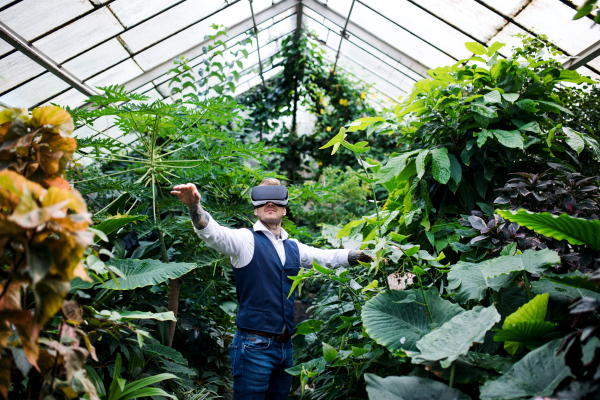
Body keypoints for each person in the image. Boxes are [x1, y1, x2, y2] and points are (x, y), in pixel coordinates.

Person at [171, 178, 371, 400]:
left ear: (285, 208)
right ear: (255, 208)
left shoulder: (293, 246)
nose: (270, 203)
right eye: (263, 198)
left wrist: (363, 255)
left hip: (285, 348)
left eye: (276, 198)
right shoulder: (245, 240)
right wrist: (194, 206)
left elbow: (328, 257)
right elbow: (213, 233)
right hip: (254, 347)